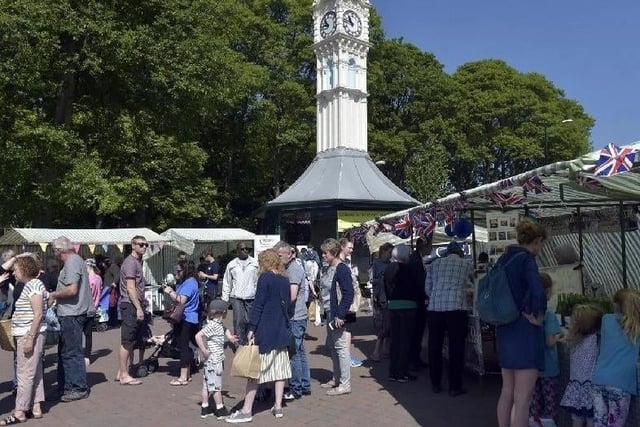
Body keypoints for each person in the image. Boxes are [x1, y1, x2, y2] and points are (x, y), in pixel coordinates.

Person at [226, 249, 292, 423]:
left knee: (254, 371)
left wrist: (251, 328)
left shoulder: (265, 278)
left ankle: (247, 410)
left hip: (266, 329)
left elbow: (259, 305)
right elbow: (288, 306)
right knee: (280, 370)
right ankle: (278, 406)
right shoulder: (285, 280)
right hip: (281, 328)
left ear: (265, 262)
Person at [496, 220, 547, 427]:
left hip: (505, 329)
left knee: (507, 392)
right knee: (523, 398)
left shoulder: (504, 257)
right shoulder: (527, 260)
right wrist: (538, 315)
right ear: (538, 240)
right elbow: (538, 290)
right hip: (524, 331)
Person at [0, 256, 47, 426]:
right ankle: (35, 406)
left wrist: (30, 339)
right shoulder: (33, 285)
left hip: (28, 334)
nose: (14, 272)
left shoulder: (34, 285)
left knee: (24, 373)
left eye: (16, 269)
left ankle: (20, 411)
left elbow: (38, 314)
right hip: (29, 333)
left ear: (25, 270)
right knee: (35, 371)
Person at [425, 241, 474, 394]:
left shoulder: (434, 264)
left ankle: (435, 384)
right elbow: (471, 285)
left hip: (435, 308)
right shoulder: (466, 265)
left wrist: (437, 296)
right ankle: (454, 386)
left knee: (435, 347)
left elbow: (427, 288)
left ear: (446, 253)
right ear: (460, 253)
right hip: (456, 308)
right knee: (456, 348)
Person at [48, 236, 93, 402]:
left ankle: (78, 387)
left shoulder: (73, 262)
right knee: (65, 352)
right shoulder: (75, 261)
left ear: (59, 250)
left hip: (72, 313)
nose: (55, 254)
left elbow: (72, 290)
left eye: (54, 250)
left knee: (71, 352)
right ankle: (65, 386)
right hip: (70, 312)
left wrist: (53, 294)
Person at [591, 288, 640, 427]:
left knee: (600, 423)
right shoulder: (637, 327)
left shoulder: (606, 320)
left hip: (599, 379)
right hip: (621, 383)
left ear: (617, 304)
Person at [275, 242, 311, 400]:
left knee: (294, 353)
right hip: (298, 316)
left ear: (289, 254)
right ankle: (304, 384)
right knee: (300, 352)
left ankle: (296, 387)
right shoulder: (290, 268)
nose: (279, 258)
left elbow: (293, 295)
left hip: (295, 317)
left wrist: (279, 308)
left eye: (280, 255)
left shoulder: (294, 269)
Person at [319, 238, 354, 396]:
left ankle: (345, 383)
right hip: (329, 312)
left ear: (333, 253)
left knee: (341, 348)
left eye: (325, 253)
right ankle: (337, 377)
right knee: (333, 347)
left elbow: (348, 293)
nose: (323, 255)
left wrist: (341, 314)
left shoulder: (342, 269)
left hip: (336, 313)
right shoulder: (328, 268)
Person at [560, 304, 603, 427]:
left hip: (575, 389)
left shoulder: (573, 340)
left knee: (577, 420)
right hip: (590, 389)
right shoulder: (595, 340)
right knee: (591, 420)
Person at [115, 235, 150, 386]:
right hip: (129, 305)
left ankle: (121, 371)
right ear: (133, 245)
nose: (144, 247)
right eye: (141, 244)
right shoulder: (130, 263)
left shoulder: (137, 262)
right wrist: (138, 307)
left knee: (131, 340)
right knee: (127, 341)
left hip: (133, 303)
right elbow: (130, 288)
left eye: (146, 245)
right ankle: (123, 374)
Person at [195, 299, 238, 419]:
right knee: (216, 386)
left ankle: (205, 407)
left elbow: (225, 330)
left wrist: (230, 338)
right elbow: (198, 336)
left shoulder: (217, 324)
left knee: (206, 385)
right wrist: (203, 350)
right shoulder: (212, 325)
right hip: (214, 359)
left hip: (212, 360)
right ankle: (220, 409)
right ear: (223, 312)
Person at [384, 244, 421, 382]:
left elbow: (386, 287)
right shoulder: (409, 269)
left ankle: (393, 372)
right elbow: (417, 287)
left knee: (395, 340)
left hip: (393, 306)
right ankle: (402, 372)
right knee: (405, 340)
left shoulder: (388, 269)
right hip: (408, 305)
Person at [529, 272, 563, 424]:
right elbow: (550, 342)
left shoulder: (527, 312)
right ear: (548, 291)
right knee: (550, 407)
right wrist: (559, 335)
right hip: (548, 369)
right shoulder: (549, 315)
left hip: (531, 367)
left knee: (534, 405)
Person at [163, 259, 200, 385]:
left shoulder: (190, 283)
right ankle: (187, 373)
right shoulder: (187, 282)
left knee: (183, 346)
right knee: (186, 345)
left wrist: (170, 292)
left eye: (178, 271)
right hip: (185, 318)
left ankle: (183, 376)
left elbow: (181, 300)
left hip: (187, 318)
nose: (176, 273)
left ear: (186, 270)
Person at [221, 243, 259, 345]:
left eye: (247, 249)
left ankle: (249, 342)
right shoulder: (232, 264)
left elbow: (258, 280)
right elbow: (227, 282)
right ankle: (239, 344)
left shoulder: (255, 263)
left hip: (251, 296)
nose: (245, 250)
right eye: (242, 249)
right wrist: (225, 300)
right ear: (237, 250)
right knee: (238, 321)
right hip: (236, 297)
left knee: (249, 320)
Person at [338, 238, 362, 368]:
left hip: (350, 299)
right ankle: (345, 356)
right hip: (345, 299)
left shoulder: (348, 261)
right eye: (349, 248)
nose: (352, 250)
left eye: (352, 248)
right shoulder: (340, 263)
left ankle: (347, 355)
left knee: (348, 329)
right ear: (342, 247)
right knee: (344, 329)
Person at [408, 237, 431, 370]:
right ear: (424, 246)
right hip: (417, 301)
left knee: (417, 332)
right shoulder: (416, 260)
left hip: (417, 300)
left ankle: (416, 359)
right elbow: (419, 282)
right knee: (416, 332)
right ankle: (414, 360)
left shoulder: (416, 258)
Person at [370, 242, 393, 362]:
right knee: (385, 324)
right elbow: (373, 280)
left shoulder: (390, 264)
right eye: (390, 252)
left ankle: (384, 348)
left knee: (388, 324)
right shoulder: (377, 264)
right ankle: (376, 351)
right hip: (382, 297)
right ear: (384, 252)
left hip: (389, 296)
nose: (391, 255)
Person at [84, 258, 102, 367]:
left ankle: (82, 356)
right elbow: (98, 294)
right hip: (93, 307)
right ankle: (87, 356)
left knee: (79, 333)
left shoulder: (87, 279)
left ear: (88, 266)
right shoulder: (99, 278)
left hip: (84, 307)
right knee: (88, 335)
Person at [103, 256, 121, 327]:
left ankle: (114, 322)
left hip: (111, 290)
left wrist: (114, 282)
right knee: (109, 306)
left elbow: (118, 275)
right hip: (107, 290)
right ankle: (111, 321)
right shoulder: (107, 268)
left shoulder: (114, 267)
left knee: (113, 305)